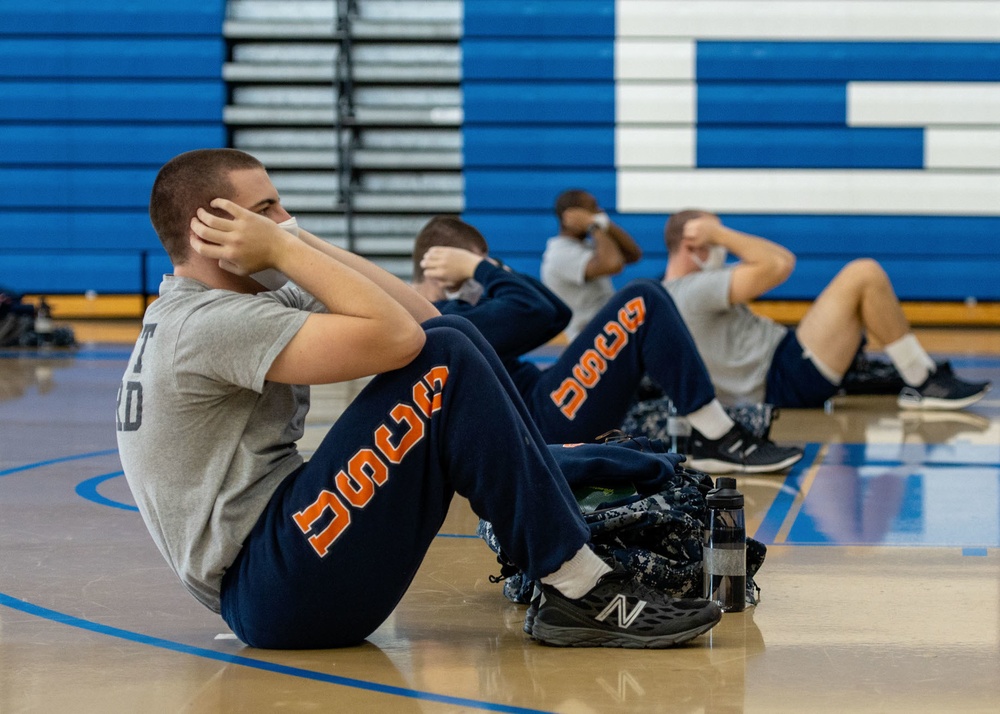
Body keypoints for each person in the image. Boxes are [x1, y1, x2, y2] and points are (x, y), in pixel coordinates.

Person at [114, 148, 723, 651]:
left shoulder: (236, 302)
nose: (286, 219)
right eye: (268, 208)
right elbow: (403, 341)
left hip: (287, 570)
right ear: (212, 228)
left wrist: (294, 241)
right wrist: (286, 250)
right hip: (274, 587)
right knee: (445, 356)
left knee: (451, 338)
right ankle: (581, 588)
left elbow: (424, 317)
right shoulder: (208, 323)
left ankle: (565, 548)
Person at [412, 215, 803, 474]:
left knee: (646, 299)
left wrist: (489, 268)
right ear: (437, 268)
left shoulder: (451, 311)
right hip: (539, 425)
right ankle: (717, 437)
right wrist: (478, 269)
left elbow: (555, 312)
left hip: (543, 407)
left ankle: (712, 434)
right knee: (642, 300)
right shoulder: (437, 320)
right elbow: (534, 312)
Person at [662, 210, 990, 410]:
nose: (723, 248)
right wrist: (718, 232)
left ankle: (916, 375)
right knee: (864, 274)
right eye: (716, 242)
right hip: (783, 375)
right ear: (692, 244)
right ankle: (922, 380)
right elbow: (780, 263)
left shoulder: (674, 293)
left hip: (781, 368)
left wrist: (715, 234)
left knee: (858, 297)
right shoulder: (690, 291)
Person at [540, 189, 643, 341]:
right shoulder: (559, 254)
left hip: (609, 333)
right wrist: (593, 226)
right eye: (593, 208)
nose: (599, 212)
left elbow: (633, 255)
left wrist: (605, 224)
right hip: (591, 340)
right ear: (570, 216)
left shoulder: (586, 245)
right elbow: (612, 264)